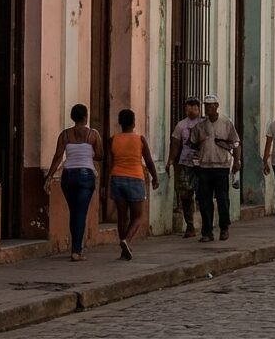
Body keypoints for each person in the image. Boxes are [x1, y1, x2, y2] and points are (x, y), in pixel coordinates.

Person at [43, 104, 101, 261]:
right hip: (86, 175)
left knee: (74, 211)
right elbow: (100, 155)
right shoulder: (93, 135)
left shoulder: (65, 135)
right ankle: (77, 250)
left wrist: (49, 176)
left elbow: (57, 157)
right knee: (81, 213)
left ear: (72, 117)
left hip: (68, 176)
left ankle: (76, 248)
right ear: (85, 117)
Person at [107, 109, 159, 260]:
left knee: (122, 217)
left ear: (120, 123)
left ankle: (124, 250)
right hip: (136, 179)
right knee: (138, 216)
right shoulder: (140, 140)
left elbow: (110, 163)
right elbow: (148, 161)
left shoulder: (113, 139)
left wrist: (108, 183)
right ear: (134, 122)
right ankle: (127, 241)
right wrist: (155, 178)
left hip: (117, 178)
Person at [190, 94, 241, 242]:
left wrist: (237, 162)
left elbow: (236, 143)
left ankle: (224, 227)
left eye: (211, 106)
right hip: (204, 166)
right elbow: (193, 143)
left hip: (221, 166)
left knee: (223, 199)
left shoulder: (226, 123)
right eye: (206, 106)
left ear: (217, 106)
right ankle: (207, 231)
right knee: (205, 200)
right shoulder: (200, 126)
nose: (208, 109)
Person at [165, 96, 204, 238]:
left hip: (202, 164)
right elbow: (175, 144)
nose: (192, 110)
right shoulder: (181, 125)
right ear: (185, 109)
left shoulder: (204, 124)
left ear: (199, 109)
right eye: (189, 107)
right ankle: (190, 225)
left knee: (202, 195)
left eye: (195, 107)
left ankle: (206, 224)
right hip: (185, 163)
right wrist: (170, 160)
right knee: (185, 195)